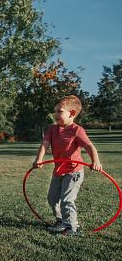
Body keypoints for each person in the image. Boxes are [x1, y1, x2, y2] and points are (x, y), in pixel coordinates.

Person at [33, 95, 102, 236]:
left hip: (73, 172)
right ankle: (61, 221)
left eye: (59, 111)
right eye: (55, 111)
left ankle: (72, 227)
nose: (55, 114)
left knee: (67, 200)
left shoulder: (77, 130)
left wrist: (95, 161)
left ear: (72, 113)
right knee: (52, 199)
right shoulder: (52, 129)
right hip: (58, 170)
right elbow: (45, 144)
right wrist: (39, 159)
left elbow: (89, 146)